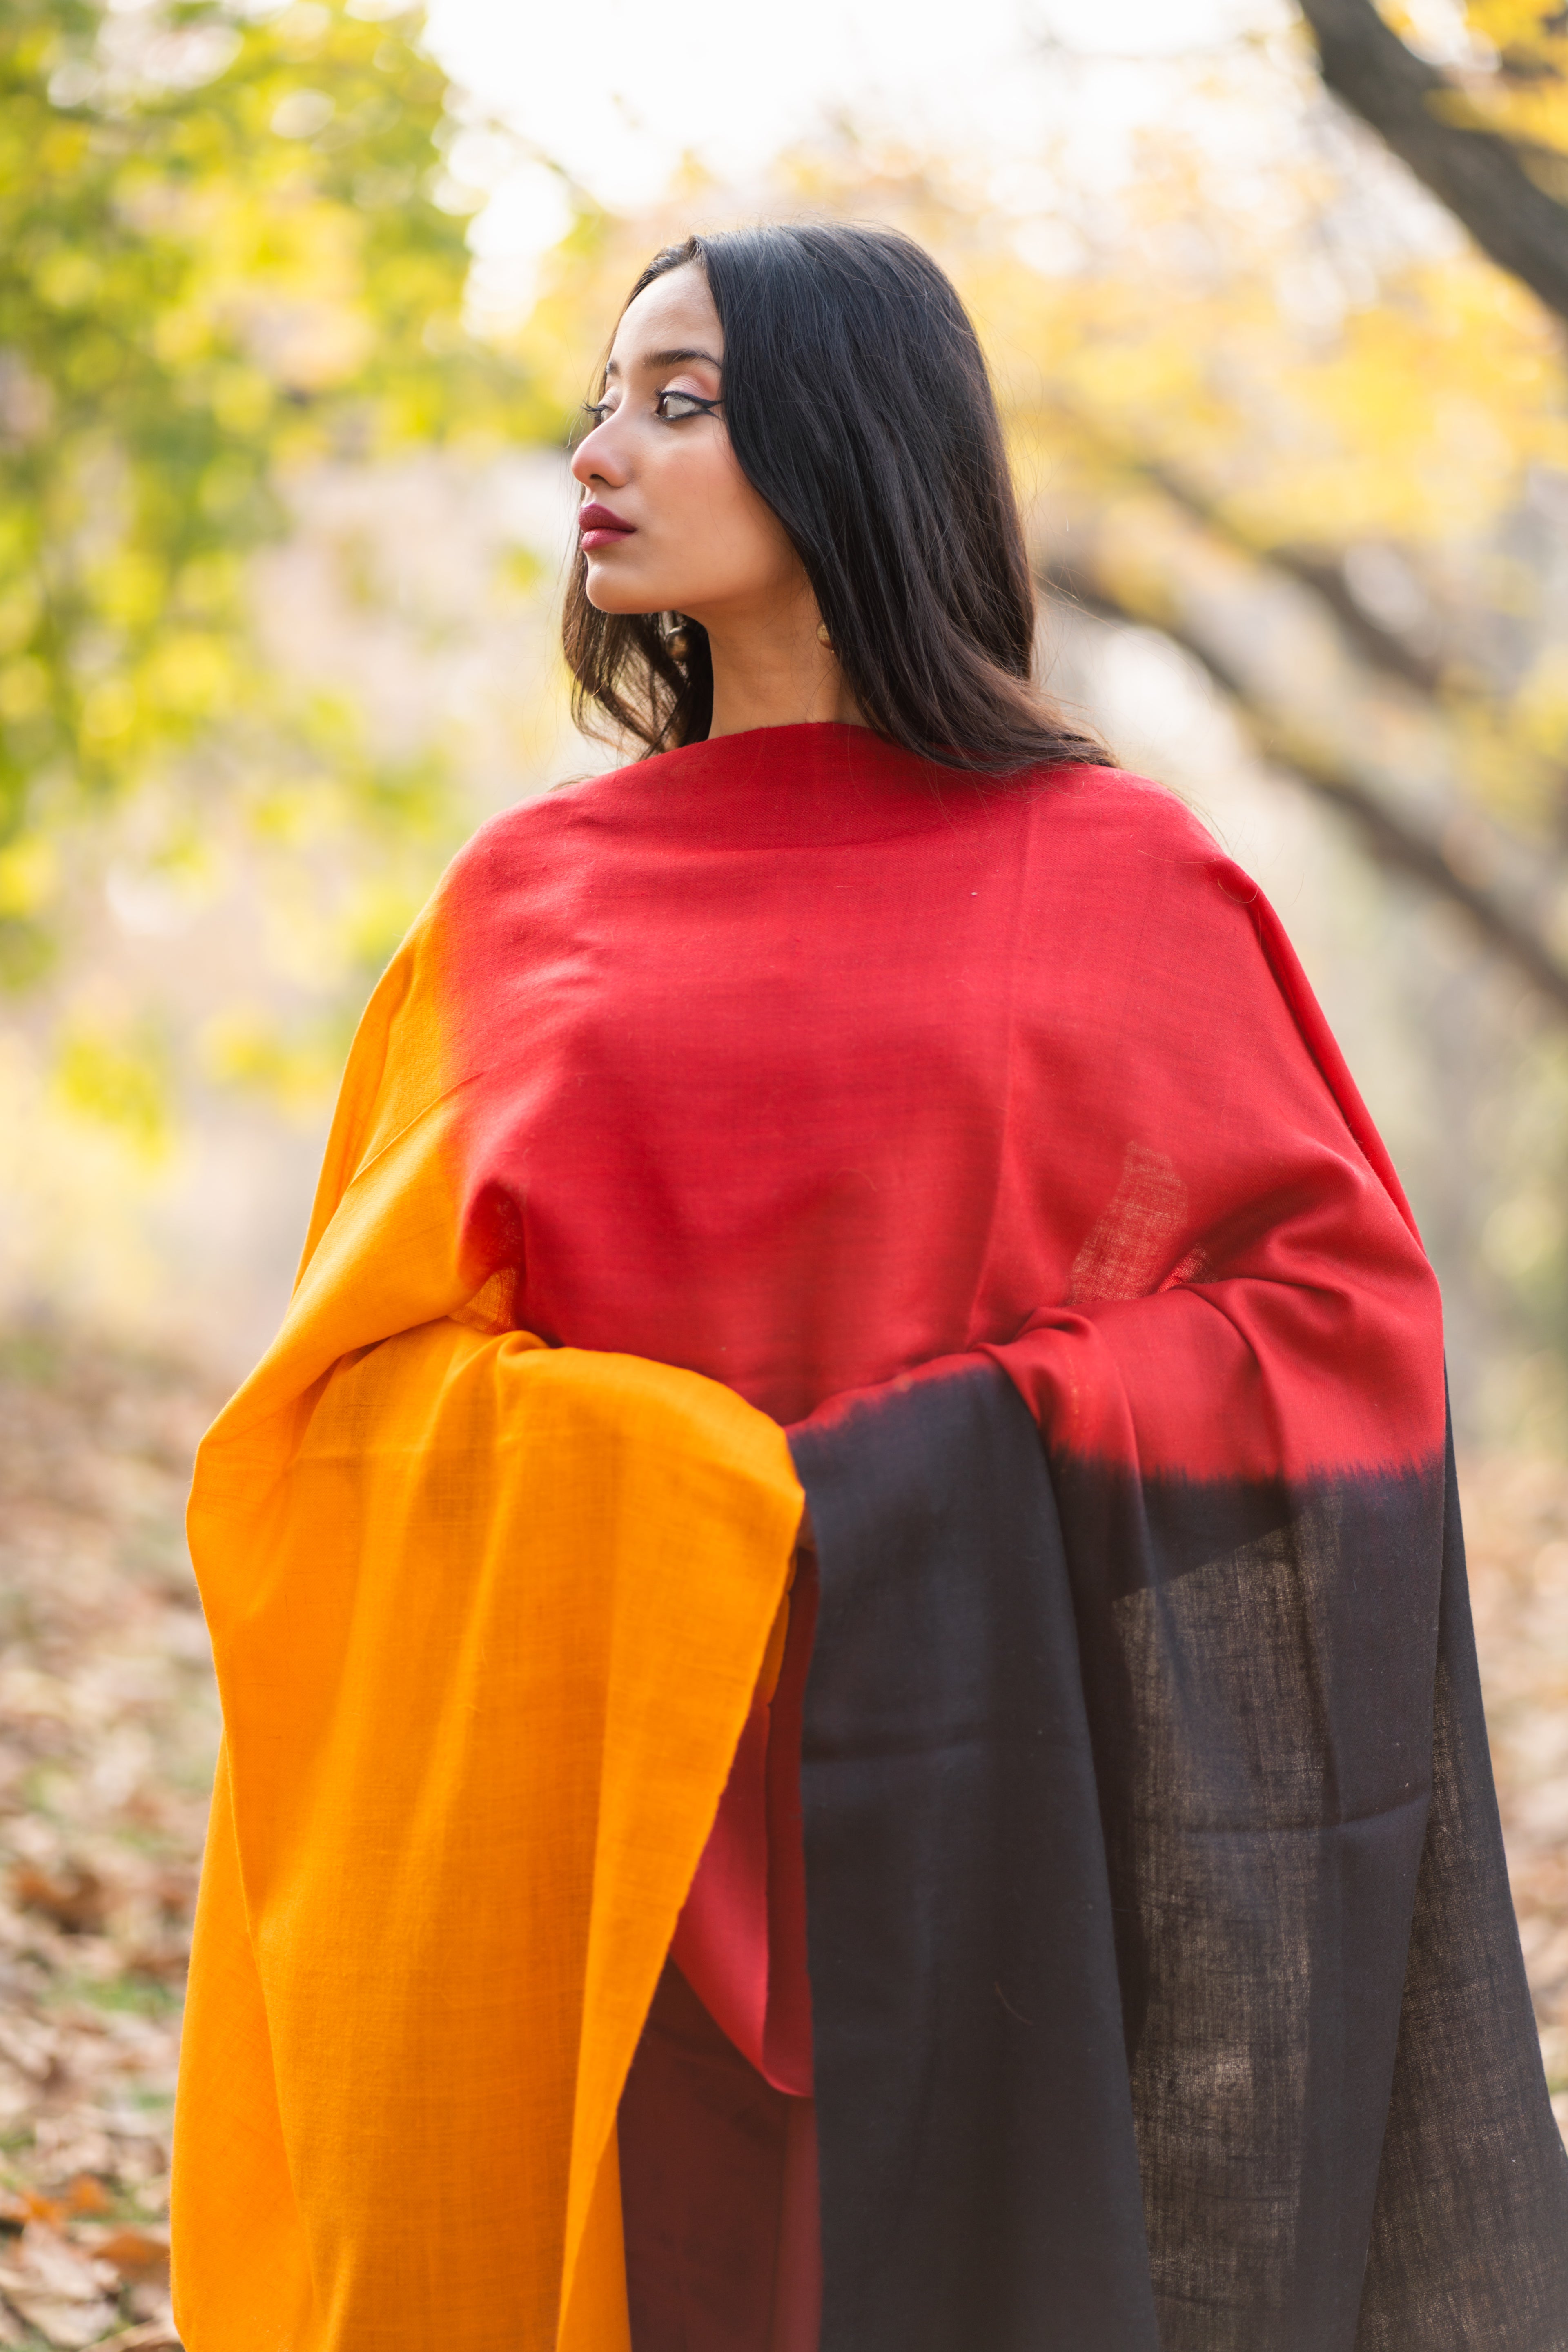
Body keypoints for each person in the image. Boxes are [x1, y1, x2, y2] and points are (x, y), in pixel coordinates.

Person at [170, 223, 1568, 2352]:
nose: (596, 454)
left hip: (1007, 1834)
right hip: (610, 1842)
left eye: (680, 398)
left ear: (855, 442)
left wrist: (956, 1453)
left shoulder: (1124, 883)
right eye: (601, 397)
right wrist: (666, 1477)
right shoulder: (518, 910)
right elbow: (345, 1403)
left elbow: (1332, 1323)